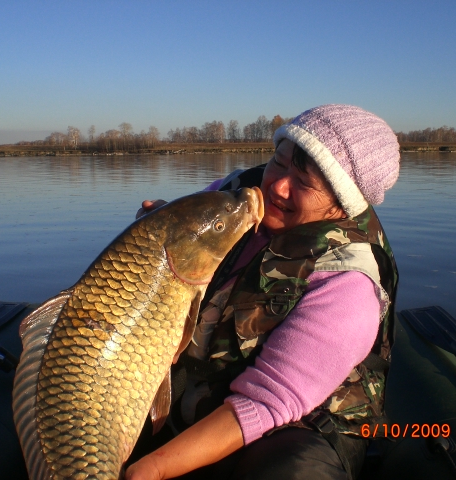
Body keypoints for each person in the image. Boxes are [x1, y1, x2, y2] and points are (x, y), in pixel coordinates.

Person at [126, 104, 400, 480]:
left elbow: (266, 401)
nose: (278, 186)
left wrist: (151, 469)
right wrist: (164, 222)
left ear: (342, 202)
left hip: (295, 425)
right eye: (279, 161)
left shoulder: (349, 282)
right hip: (202, 384)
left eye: (304, 182)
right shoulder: (240, 192)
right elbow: (197, 223)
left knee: (291, 469)